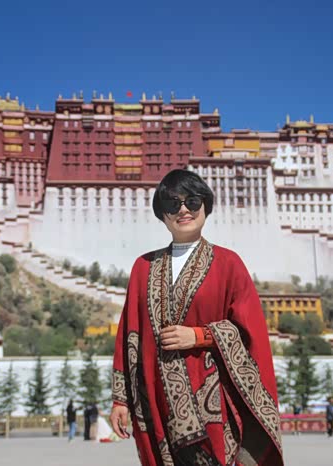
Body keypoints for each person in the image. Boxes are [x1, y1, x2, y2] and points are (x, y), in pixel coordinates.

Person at [110, 169, 284, 466]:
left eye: (192, 201)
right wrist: (120, 398)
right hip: (154, 398)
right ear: (162, 213)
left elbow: (249, 331)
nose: (183, 210)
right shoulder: (143, 267)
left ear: (205, 206)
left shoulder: (228, 263)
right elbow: (129, 334)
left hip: (211, 399)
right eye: (172, 203)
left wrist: (199, 335)